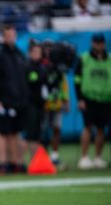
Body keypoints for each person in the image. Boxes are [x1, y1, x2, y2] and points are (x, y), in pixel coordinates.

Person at [0, 24, 28, 174]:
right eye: (8, 35)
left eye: (13, 35)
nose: (11, 38)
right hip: (3, 101)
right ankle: (3, 163)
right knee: (3, 132)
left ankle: (15, 162)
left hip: (18, 102)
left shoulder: (18, 54)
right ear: (3, 37)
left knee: (15, 132)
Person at [74, 33, 110, 169]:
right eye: (96, 42)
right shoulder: (84, 58)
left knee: (101, 128)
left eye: (101, 42)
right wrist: (80, 99)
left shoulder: (109, 59)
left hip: (106, 98)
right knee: (87, 127)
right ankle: (84, 157)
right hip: (89, 98)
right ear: (92, 43)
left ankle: (98, 157)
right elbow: (77, 80)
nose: (99, 45)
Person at [41, 40, 70, 166]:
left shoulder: (58, 65)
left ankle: (54, 155)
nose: (48, 51)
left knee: (56, 128)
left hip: (56, 101)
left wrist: (66, 99)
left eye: (50, 48)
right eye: (46, 48)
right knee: (43, 130)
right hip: (43, 103)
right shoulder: (40, 64)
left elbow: (63, 83)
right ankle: (42, 157)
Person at [24, 40, 47, 157]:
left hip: (40, 104)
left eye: (39, 52)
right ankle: (20, 161)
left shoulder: (43, 67)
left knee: (38, 134)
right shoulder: (27, 66)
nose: (37, 54)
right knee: (30, 134)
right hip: (30, 104)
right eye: (34, 52)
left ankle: (36, 159)